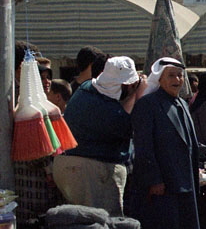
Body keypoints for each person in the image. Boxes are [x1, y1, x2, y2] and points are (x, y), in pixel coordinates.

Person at [131, 57, 206, 229]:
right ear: (159, 79)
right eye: (172, 76)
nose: (177, 80)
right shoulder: (148, 105)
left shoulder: (182, 104)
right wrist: (154, 179)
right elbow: (144, 147)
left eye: (180, 75)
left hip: (185, 181)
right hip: (165, 184)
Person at [53, 56, 144, 216]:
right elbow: (131, 127)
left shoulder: (88, 88)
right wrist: (138, 96)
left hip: (72, 165)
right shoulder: (104, 110)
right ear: (125, 86)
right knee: (98, 225)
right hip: (88, 170)